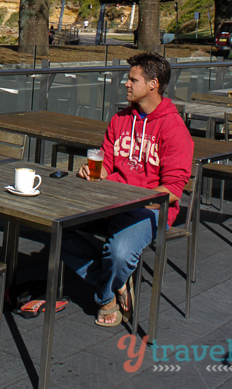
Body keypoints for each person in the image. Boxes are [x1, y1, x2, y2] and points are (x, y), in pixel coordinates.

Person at [61, 52, 193, 327]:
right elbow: (107, 161)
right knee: (53, 226)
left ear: (153, 84)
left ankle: (103, 295)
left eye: (133, 79)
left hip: (149, 209)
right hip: (108, 199)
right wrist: (95, 171)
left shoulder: (174, 128)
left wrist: (133, 199)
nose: (126, 84)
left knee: (120, 253)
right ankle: (113, 284)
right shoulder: (121, 119)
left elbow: (173, 189)